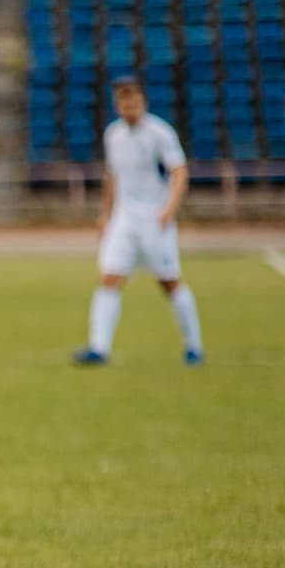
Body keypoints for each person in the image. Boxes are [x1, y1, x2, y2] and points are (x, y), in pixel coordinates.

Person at [73, 76, 202, 366]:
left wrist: (168, 209)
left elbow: (179, 172)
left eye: (133, 102)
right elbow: (112, 177)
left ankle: (193, 345)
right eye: (122, 102)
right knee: (108, 278)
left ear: (143, 102)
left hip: (154, 219)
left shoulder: (159, 133)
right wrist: (106, 214)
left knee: (169, 281)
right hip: (124, 219)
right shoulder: (113, 135)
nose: (128, 107)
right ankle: (98, 348)